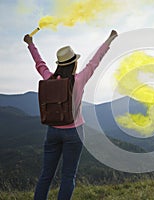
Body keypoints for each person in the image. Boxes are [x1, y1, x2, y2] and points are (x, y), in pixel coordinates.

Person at [23, 30, 118, 200]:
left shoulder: (49, 78)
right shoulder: (79, 80)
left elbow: (40, 64)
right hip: (74, 132)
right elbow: (95, 61)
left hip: (52, 131)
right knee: (68, 176)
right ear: (74, 63)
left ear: (59, 64)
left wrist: (31, 44)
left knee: (46, 175)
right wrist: (109, 39)